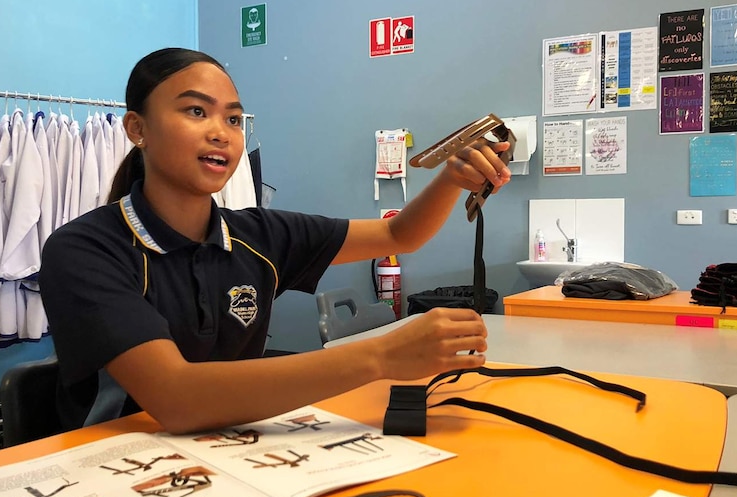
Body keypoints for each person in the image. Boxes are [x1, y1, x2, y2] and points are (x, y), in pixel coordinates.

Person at [39, 47, 511, 435]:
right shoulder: (83, 251)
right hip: (117, 472)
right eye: (195, 111)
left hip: (238, 447)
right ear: (137, 129)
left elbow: (397, 234)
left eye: (234, 120)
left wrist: (452, 178)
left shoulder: (258, 234)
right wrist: (381, 356)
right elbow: (176, 397)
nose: (220, 133)